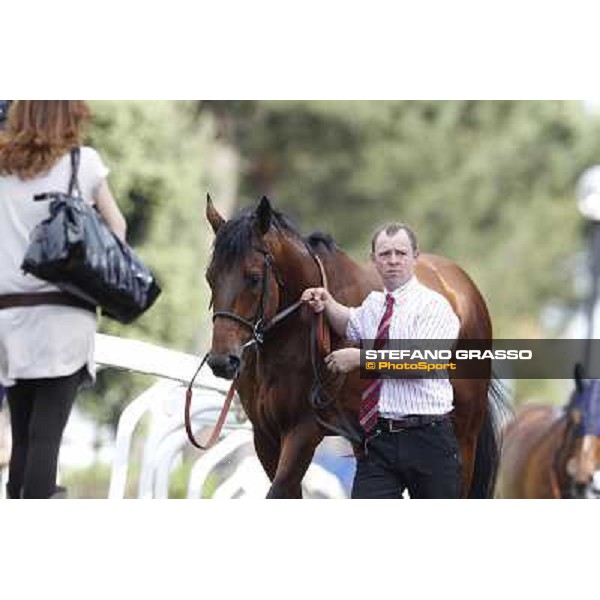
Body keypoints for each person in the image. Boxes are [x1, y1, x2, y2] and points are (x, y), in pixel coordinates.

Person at [0, 101, 127, 499]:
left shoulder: (2, 166)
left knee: (21, 437)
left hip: (9, 318)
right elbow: (117, 229)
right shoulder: (82, 163)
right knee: (45, 440)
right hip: (64, 318)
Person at [302, 222, 462, 499]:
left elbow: (421, 363)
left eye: (401, 253)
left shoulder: (434, 306)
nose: (393, 261)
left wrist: (360, 359)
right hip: (380, 439)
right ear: (373, 260)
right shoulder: (374, 305)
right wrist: (326, 302)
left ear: (415, 257)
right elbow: (349, 322)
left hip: (429, 439)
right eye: (385, 254)